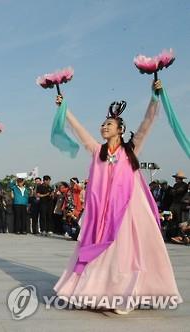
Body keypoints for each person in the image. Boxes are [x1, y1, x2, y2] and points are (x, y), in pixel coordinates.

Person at [53, 81, 182, 314]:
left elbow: (146, 123)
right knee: (103, 252)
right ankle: (98, 291)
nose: (104, 127)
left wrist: (155, 97)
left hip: (127, 210)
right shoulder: (97, 151)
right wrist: (64, 110)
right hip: (102, 213)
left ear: (120, 129)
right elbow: (80, 131)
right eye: (103, 124)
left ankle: (125, 293)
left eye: (109, 124)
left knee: (125, 252)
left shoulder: (131, 150)